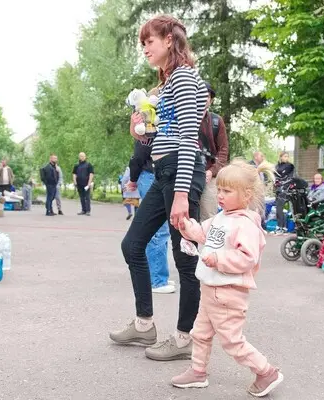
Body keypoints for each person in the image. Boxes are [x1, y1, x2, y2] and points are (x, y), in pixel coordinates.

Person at [110, 15, 208, 361]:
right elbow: (165, 136)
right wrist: (142, 130)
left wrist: (181, 195)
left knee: (185, 260)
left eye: (149, 41)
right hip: (163, 171)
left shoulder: (182, 77)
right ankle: (144, 323)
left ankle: (185, 339)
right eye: (142, 43)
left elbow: (187, 140)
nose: (145, 49)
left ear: (169, 39)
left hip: (181, 175)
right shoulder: (167, 84)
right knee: (133, 244)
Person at [170, 161, 283, 397]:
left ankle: (266, 371)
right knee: (199, 334)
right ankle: (198, 372)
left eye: (227, 191)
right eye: (219, 189)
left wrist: (219, 259)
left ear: (247, 194)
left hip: (229, 293)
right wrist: (186, 227)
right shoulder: (222, 217)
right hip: (210, 290)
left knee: (232, 341)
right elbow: (202, 234)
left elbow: (247, 258)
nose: (220, 195)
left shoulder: (246, 224)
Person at [128, 140, 175, 294]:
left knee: (161, 228)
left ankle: (157, 274)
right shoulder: (148, 123)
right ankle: (157, 280)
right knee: (158, 231)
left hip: (155, 174)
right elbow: (139, 155)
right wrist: (133, 179)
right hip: (150, 175)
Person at [198, 82, 229, 222]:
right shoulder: (183, 118)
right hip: (187, 174)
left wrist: (212, 171)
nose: (203, 98)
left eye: (207, 96)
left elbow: (223, 150)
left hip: (209, 175)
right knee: (186, 218)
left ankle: (208, 244)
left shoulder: (216, 121)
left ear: (210, 99)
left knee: (208, 217)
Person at [273, 151, 295, 235]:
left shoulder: (290, 166)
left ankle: (283, 227)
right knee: (279, 209)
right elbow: (275, 176)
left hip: (286, 189)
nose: (286, 158)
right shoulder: (277, 166)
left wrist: (281, 181)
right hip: (278, 189)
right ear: (281, 157)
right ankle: (280, 227)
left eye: (287, 156)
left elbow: (289, 177)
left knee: (283, 209)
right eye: (285, 156)